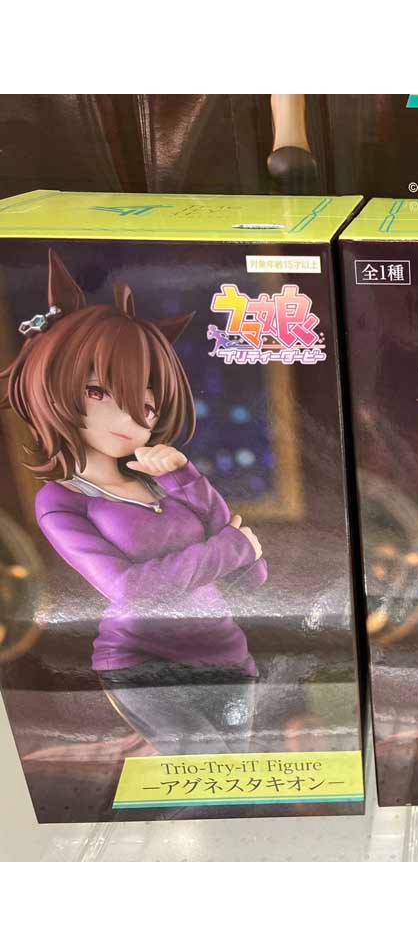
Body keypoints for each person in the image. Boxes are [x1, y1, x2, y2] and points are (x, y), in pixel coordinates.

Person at [1, 250, 268, 754]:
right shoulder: (62, 501)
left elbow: (252, 576)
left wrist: (185, 476)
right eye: (101, 391)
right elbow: (130, 590)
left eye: (146, 404)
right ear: (52, 387)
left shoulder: (163, 477)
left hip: (230, 659)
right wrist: (229, 549)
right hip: (144, 663)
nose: (133, 418)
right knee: (201, 764)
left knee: (236, 776)